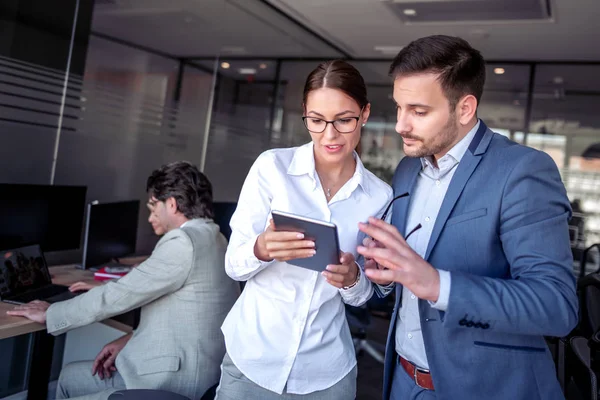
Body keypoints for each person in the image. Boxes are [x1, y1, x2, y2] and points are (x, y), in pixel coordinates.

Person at [356, 35, 578, 400]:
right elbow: (403, 282)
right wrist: (365, 271)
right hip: (402, 380)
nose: (400, 125)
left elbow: (556, 305)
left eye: (418, 111)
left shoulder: (522, 171)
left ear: (465, 108)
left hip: (487, 388)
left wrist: (437, 283)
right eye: (398, 108)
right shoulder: (408, 170)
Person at [215, 60, 393, 399]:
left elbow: (365, 294)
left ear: (365, 114)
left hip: (326, 371)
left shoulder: (379, 197)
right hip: (252, 357)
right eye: (316, 120)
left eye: (344, 120)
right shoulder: (272, 168)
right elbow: (233, 264)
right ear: (305, 114)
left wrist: (352, 278)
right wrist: (262, 248)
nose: (329, 134)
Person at [8, 161, 240, 400]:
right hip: (195, 369)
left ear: (171, 204)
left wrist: (51, 314)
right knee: (68, 378)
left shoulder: (184, 242)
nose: (151, 217)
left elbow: (118, 296)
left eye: (153, 207)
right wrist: (129, 339)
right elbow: (186, 312)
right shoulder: (215, 238)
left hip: (170, 381)